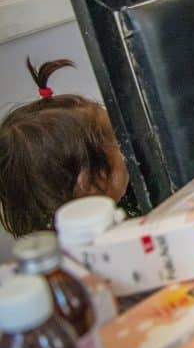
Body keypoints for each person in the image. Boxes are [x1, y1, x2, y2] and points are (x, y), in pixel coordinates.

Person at [0, 58, 129, 236]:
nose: (127, 153)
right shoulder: (105, 243)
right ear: (88, 181)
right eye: (118, 143)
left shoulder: (50, 244)